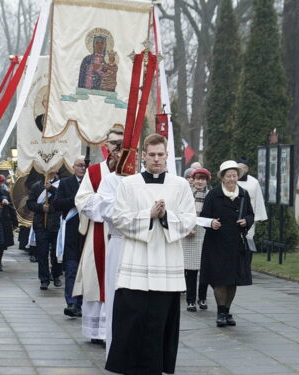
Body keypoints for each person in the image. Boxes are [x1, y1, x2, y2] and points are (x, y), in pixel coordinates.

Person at [105, 134, 196, 375]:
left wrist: (165, 216)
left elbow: (188, 220)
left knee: (158, 323)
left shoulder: (180, 185)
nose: (156, 159)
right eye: (152, 155)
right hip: (136, 263)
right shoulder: (129, 184)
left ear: (167, 155)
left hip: (166, 267)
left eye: (161, 155)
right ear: (143, 156)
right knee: (131, 322)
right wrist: (149, 214)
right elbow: (119, 219)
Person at [78, 127, 126, 353]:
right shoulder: (95, 172)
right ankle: (97, 331)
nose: (116, 147)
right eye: (113, 143)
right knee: (96, 280)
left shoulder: (133, 173)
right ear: (105, 146)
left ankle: (118, 328)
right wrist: (107, 205)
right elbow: (83, 200)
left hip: (126, 234)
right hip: (100, 231)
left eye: (120, 143)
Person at [199, 161, 255, 327]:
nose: (232, 179)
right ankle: (220, 312)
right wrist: (211, 223)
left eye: (234, 175)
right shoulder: (213, 195)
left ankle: (227, 310)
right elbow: (203, 217)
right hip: (216, 243)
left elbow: (251, 214)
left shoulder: (243, 194)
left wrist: (247, 221)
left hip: (236, 243)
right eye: (229, 176)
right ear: (222, 178)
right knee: (220, 280)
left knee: (233, 280)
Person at [53, 156, 87, 318]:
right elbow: (57, 204)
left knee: (86, 271)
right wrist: (76, 201)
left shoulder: (92, 183)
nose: (82, 168)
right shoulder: (66, 183)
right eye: (80, 165)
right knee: (72, 269)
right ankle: (72, 303)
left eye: (85, 165)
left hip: (87, 232)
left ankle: (82, 302)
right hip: (72, 232)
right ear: (74, 167)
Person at [182, 168, 212, 312]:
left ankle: (202, 298)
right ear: (192, 179)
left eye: (203, 179)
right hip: (190, 233)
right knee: (191, 270)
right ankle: (190, 300)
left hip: (205, 233)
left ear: (207, 180)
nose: (200, 182)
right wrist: (186, 228)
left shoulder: (211, 195)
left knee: (205, 269)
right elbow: (181, 212)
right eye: (197, 178)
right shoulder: (186, 194)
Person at [27, 171, 62, 290]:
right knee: (42, 253)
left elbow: (62, 199)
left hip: (56, 224)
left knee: (55, 253)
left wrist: (51, 189)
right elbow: (30, 203)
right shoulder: (37, 186)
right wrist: (41, 207)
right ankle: (44, 279)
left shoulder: (60, 185)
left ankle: (56, 275)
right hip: (41, 224)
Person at [237, 158, 268, 252]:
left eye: (243, 167)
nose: (241, 169)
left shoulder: (254, 182)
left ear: (247, 169)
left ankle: (247, 262)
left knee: (248, 240)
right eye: (239, 167)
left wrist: (257, 217)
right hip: (233, 215)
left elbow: (258, 199)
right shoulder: (231, 179)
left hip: (248, 216)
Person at [0, 174, 16, 271]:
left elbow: (11, 208)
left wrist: (14, 221)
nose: (2, 184)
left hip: (5, 220)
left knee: (2, 244)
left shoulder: (6, 193)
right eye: (1, 182)